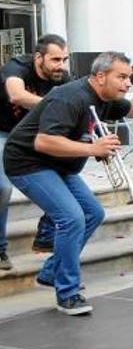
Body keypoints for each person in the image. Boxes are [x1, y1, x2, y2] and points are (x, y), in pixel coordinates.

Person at [4, 52, 133, 314]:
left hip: (59, 165)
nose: (128, 83)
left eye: (129, 78)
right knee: (72, 218)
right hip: (28, 162)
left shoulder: (104, 98)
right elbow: (43, 142)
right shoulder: (70, 97)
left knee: (93, 212)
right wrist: (94, 149)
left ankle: (51, 272)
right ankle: (67, 293)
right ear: (101, 76)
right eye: (122, 77)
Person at [0, 34, 71, 270]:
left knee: (67, 175)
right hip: (3, 132)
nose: (61, 65)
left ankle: (45, 235)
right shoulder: (18, 66)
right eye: (55, 60)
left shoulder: (62, 78)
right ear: (38, 57)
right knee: (2, 187)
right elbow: (16, 96)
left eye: (65, 59)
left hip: (33, 137)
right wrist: (55, 106)